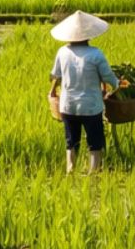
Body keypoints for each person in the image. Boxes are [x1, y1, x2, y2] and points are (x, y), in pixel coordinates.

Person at [48, 11, 117, 175]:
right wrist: (116, 85)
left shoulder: (62, 52)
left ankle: (70, 172)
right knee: (95, 142)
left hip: (68, 106)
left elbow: (55, 76)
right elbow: (108, 76)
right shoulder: (96, 54)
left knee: (71, 142)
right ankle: (93, 175)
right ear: (88, 35)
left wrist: (52, 92)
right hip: (91, 106)